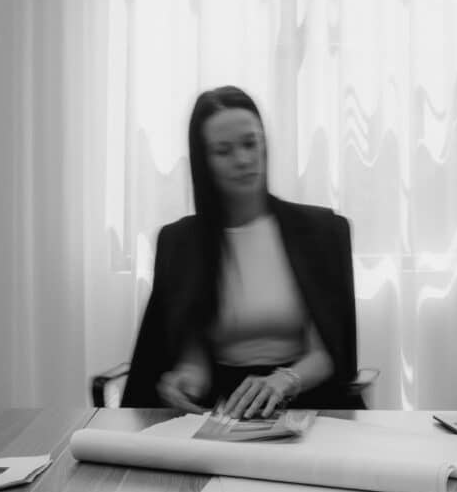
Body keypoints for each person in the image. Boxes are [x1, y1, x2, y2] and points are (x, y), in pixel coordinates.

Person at [121, 85, 364, 418]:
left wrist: (284, 380)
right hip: (225, 408)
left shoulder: (319, 231)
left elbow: (329, 354)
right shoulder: (182, 243)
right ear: (204, 162)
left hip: (307, 397)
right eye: (224, 151)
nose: (244, 160)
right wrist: (184, 380)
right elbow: (194, 356)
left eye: (251, 144)